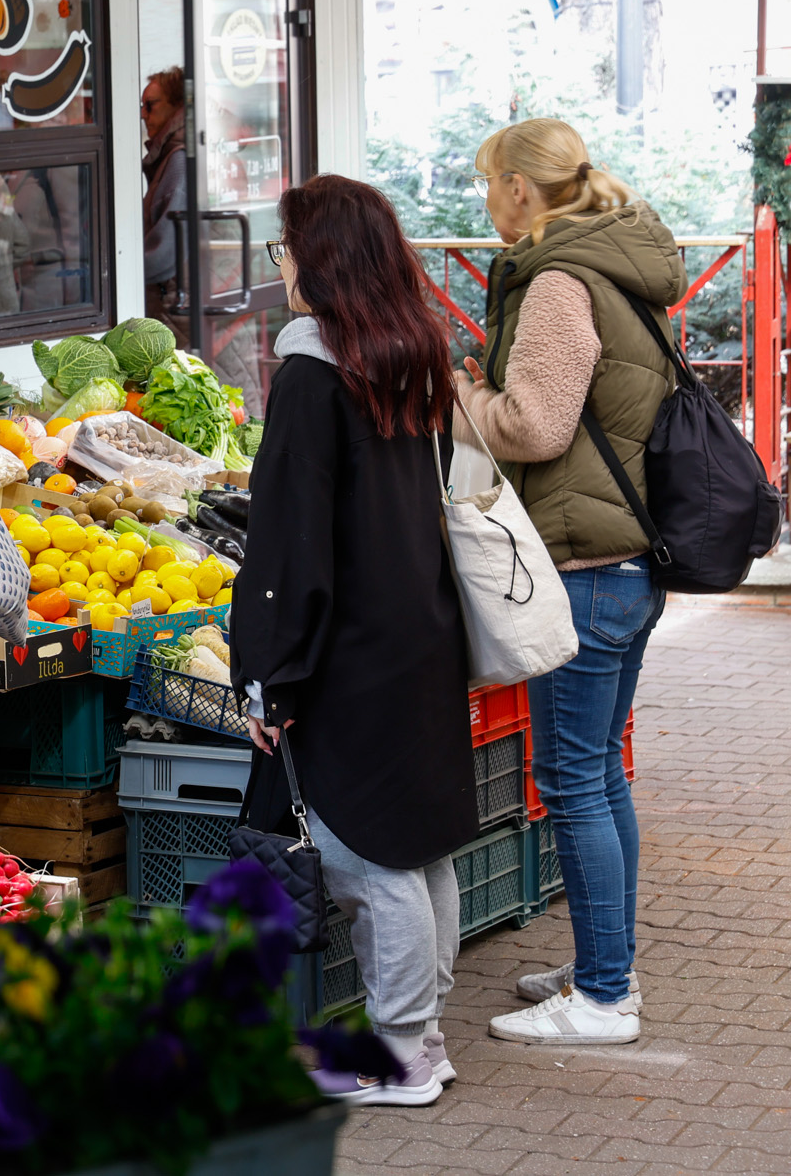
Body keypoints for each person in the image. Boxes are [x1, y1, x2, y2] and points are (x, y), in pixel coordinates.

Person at [233, 174, 474, 1106]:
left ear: (323, 259)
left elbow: (290, 544)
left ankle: (403, 1053)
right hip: (416, 628)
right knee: (419, 844)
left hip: (346, 650)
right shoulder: (407, 354)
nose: (281, 264)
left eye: (285, 248)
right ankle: (424, 1037)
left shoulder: (309, 373)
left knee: (364, 857)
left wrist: (271, 678)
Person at [460, 119, 682, 1048]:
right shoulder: (613, 263)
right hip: (623, 560)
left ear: (520, 186)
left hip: (585, 568)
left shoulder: (558, 279)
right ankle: (606, 965)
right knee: (599, 777)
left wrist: (460, 396)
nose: (482, 200)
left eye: (486, 183)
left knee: (572, 779)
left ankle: (600, 997)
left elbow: (539, 428)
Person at [140, 66, 190, 344]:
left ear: (177, 106)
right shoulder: (172, 156)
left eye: (150, 105)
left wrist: (116, 271)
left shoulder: (179, 161)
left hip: (177, 310)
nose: (142, 114)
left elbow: (164, 255)